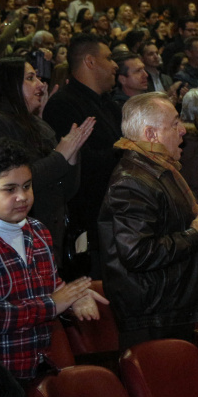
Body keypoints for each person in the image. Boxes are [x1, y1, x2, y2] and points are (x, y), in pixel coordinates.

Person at [0, 138, 106, 381]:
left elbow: (50, 286)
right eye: (9, 189)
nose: (22, 196)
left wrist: (74, 299)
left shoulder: (38, 231)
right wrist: (52, 304)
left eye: (27, 186)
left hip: (40, 366)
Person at [98, 93, 198, 349]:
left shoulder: (155, 168)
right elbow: (137, 252)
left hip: (165, 306)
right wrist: (194, 236)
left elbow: (159, 224)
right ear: (151, 134)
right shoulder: (132, 180)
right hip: (153, 315)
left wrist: (189, 217)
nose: (183, 130)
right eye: (174, 124)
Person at [0, 58, 95, 271]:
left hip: (48, 234)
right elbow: (9, 184)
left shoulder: (36, 123)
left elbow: (65, 190)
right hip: (13, 239)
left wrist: (71, 157)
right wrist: (60, 156)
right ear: (10, 85)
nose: (41, 84)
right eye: (30, 78)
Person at [42, 34, 122, 278]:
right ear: (90, 61)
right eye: (109, 58)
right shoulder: (62, 105)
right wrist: (125, 150)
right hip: (87, 219)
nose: (115, 65)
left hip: (114, 214)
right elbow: (79, 164)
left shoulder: (110, 104)